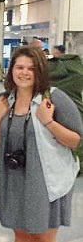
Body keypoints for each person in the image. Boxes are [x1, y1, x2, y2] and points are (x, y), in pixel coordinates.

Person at [0, 46, 83, 242]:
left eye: (30, 68)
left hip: (47, 180)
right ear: (11, 71)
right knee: (21, 236)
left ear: (39, 70)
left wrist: (49, 122)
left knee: (44, 238)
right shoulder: (5, 100)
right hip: (15, 179)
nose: (24, 73)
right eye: (19, 67)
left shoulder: (55, 99)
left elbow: (76, 140)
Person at [46, 46, 83, 175]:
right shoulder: (77, 69)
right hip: (77, 109)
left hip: (53, 110)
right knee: (77, 137)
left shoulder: (49, 70)